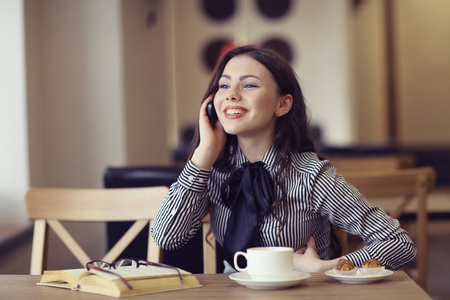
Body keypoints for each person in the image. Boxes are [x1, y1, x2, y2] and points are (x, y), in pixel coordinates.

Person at [151, 45, 416, 273]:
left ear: (283, 104)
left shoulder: (311, 176)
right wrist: (204, 154)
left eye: (249, 84)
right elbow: (166, 237)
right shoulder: (215, 170)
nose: (231, 94)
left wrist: (326, 269)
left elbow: (399, 244)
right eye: (223, 85)